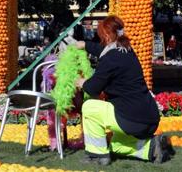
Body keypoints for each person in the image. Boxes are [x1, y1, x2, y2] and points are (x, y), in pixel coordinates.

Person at [74, 16, 173, 166]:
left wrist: (82, 83)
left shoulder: (110, 59)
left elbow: (93, 89)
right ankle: (153, 147)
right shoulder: (126, 51)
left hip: (131, 119)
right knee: (116, 146)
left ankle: (97, 156)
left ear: (107, 36)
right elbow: (103, 50)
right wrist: (84, 45)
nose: (100, 41)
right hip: (149, 118)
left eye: (101, 37)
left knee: (89, 106)